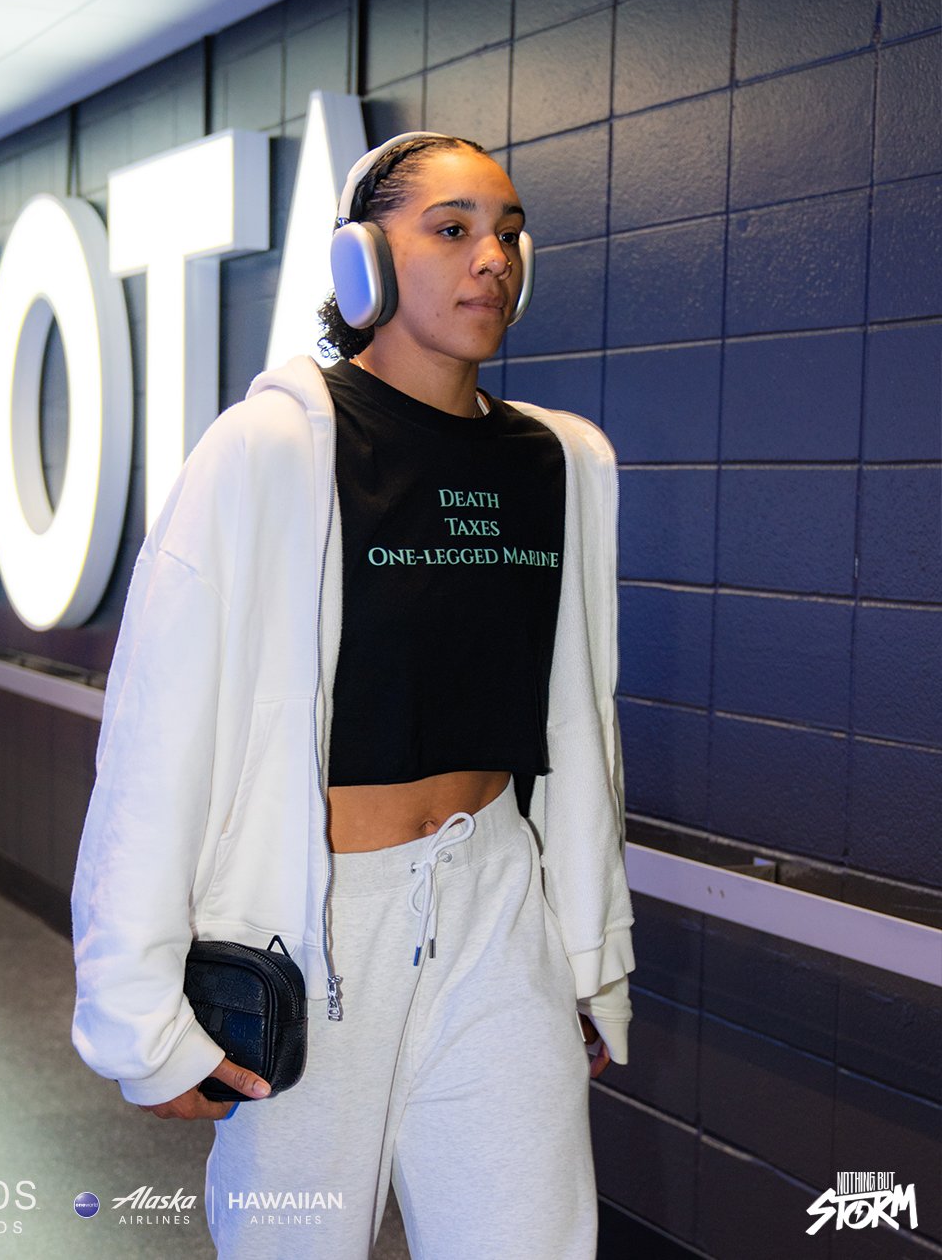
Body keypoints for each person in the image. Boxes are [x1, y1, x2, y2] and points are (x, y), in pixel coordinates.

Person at [71, 131, 635, 1259]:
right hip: (317, 924)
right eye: (454, 229)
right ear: (360, 261)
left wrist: (582, 951)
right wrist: (135, 1013)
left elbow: (582, 723)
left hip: (496, 903)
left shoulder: (563, 463)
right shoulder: (270, 449)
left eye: (510, 232)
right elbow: (156, 733)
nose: (494, 259)